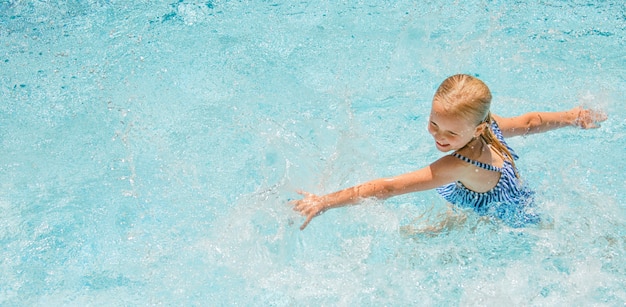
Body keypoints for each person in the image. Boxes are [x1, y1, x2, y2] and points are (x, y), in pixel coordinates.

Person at [290, 74, 607, 231]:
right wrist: (572, 117)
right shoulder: (489, 124)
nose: (439, 137)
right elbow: (530, 123)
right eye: (433, 123)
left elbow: (388, 188)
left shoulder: (458, 165)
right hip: (517, 195)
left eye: (450, 133)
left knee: (417, 236)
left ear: (476, 129)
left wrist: (326, 201)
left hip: (498, 217)